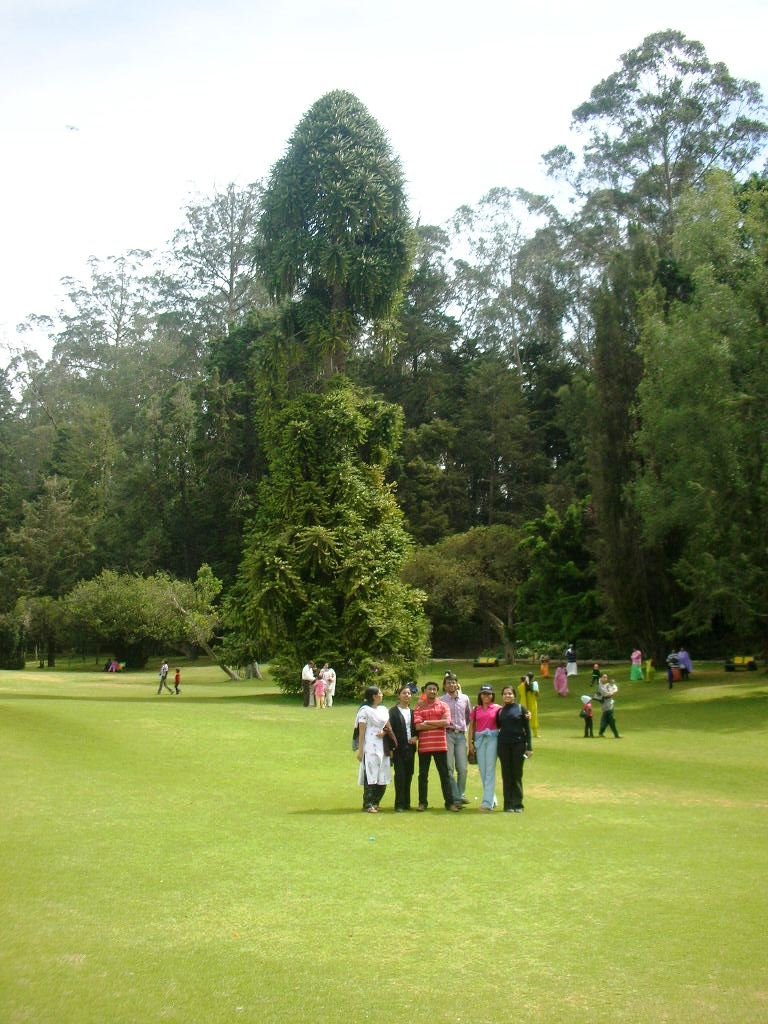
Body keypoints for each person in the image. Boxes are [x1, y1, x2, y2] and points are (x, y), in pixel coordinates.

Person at [413, 682, 462, 812]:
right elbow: (418, 726)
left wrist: (427, 722)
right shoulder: (419, 707)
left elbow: (446, 722)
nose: (432, 691)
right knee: (423, 776)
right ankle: (422, 803)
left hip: (440, 745)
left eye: (434, 689)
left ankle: (449, 803)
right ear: (425, 691)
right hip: (424, 746)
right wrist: (438, 724)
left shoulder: (443, 705)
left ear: (437, 691)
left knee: (445, 775)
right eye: (430, 689)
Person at [355, 686, 395, 813]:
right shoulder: (364, 711)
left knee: (383, 774)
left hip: (383, 745)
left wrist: (384, 732)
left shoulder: (383, 709)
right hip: (370, 745)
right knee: (371, 774)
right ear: (374, 696)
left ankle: (376, 801)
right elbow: (361, 732)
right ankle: (368, 804)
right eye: (380, 693)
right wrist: (360, 750)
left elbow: (388, 726)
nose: (382, 695)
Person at [496, 685, 533, 812]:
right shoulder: (500, 711)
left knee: (517, 774)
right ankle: (508, 804)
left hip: (519, 745)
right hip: (503, 745)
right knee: (506, 775)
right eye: (505, 693)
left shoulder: (520, 709)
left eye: (510, 693)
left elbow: (527, 729)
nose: (507, 695)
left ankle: (518, 804)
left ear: (514, 696)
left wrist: (529, 747)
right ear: (502, 696)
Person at [468, 686, 501, 811]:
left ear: (492, 695)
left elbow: (509, 715)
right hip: (479, 740)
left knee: (490, 770)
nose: (486, 696)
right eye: (484, 694)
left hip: (493, 738)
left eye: (488, 694)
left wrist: (526, 713)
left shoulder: (498, 708)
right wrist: (470, 743)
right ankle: (492, 799)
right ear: (480, 695)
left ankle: (487, 803)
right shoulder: (476, 709)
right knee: (483, 771)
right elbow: (472, 726)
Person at [440, 673, 471, 805]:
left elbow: (469, 716)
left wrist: (464, 728)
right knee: (449, 767)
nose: (451, 685)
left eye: (453, 682)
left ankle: (460, 793)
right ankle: (455, 796)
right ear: (444, 686)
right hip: (447, 734)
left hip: (461, 735)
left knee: (462, 768)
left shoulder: (465, 698)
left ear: (457, 684)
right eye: (448, 682)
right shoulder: (441, 700)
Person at [389, 684, 418, 811]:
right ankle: (399, 803)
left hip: (410, 748)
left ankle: (407, 802)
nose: (407, 695)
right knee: (400, 775)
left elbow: (417, 729)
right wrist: (390, 749)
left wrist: (416, 737)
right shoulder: (393, 712)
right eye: (404, 693)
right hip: (397, 748)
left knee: (409, 774)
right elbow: (389, 731)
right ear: (399, 695)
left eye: (409, 693)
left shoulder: (413, 712)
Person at [517, 673, 540, 738]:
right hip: (532, 704)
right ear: (532, 678)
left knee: (523, 719)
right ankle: (535, 734)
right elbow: (537, 694)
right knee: (534, 719)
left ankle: (522, 733)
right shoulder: (534, 684)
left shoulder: (520, 686)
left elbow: (520, 693)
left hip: (523, 705)